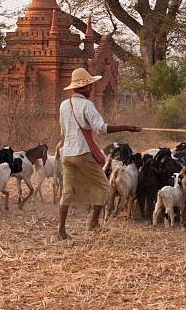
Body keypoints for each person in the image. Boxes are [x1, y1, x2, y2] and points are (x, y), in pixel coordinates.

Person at [58, 67, 141, 240]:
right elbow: (101, 128)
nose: (92, 88)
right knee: (104, 188)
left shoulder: (64, 105)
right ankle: (93, 223)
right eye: (90, 85)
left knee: (67, 191)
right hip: (82, 153)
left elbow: (63, 130)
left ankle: (61, 231)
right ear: (86, 87)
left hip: (67, 154)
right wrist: (126, 127)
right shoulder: (87, 105)